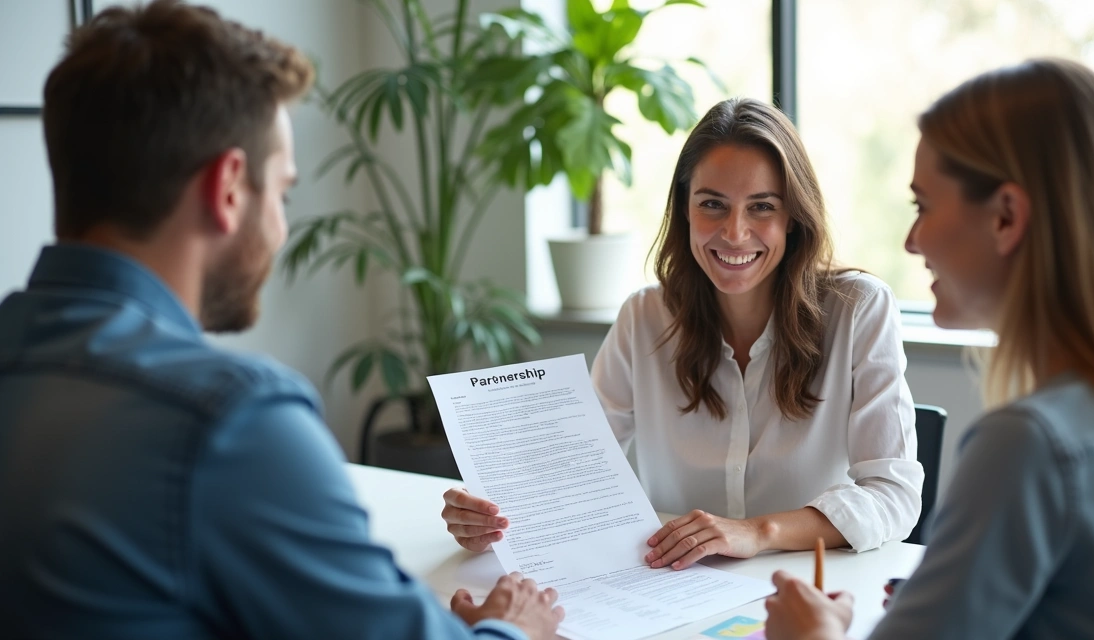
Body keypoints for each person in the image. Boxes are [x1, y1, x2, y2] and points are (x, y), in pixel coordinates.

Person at [0, 2, 563, 639]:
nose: (281, 226)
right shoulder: (229, 420)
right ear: (231, 188)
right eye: (283, 192)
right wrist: (515, 630)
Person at [764, 58, 1094, 639]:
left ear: (1006, 217)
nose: (911, 240)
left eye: (922, 206)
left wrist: (814, 634)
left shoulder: (1029, 447)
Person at [442, 98, 923, 568]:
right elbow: (572, 469)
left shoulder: (859, 309)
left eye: (762, 207)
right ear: (684, 209)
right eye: (713, 204)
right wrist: (494, 514)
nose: (734, 233)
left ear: (793, 216)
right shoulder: (644, 317)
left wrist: (758, 532)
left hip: (804, 593)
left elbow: (894, 496)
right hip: (672, 591)